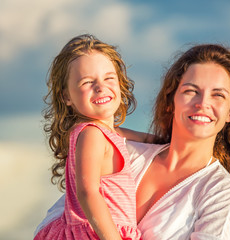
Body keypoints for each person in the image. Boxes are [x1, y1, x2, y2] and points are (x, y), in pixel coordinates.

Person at [35, 43, 230, 240]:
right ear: (171, 100)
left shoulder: (220, 194)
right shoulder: (126, 154)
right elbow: (65, 215)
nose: (203, 103)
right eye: (191, 91)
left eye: (218, 95)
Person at [34, 34, 141, 239]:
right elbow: (88, 192)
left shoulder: (102, 133)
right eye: (86, 82)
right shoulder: (92, 134)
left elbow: (127, 134)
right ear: (66, 96)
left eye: (109, 78)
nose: (100, 87)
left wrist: (161, 139)